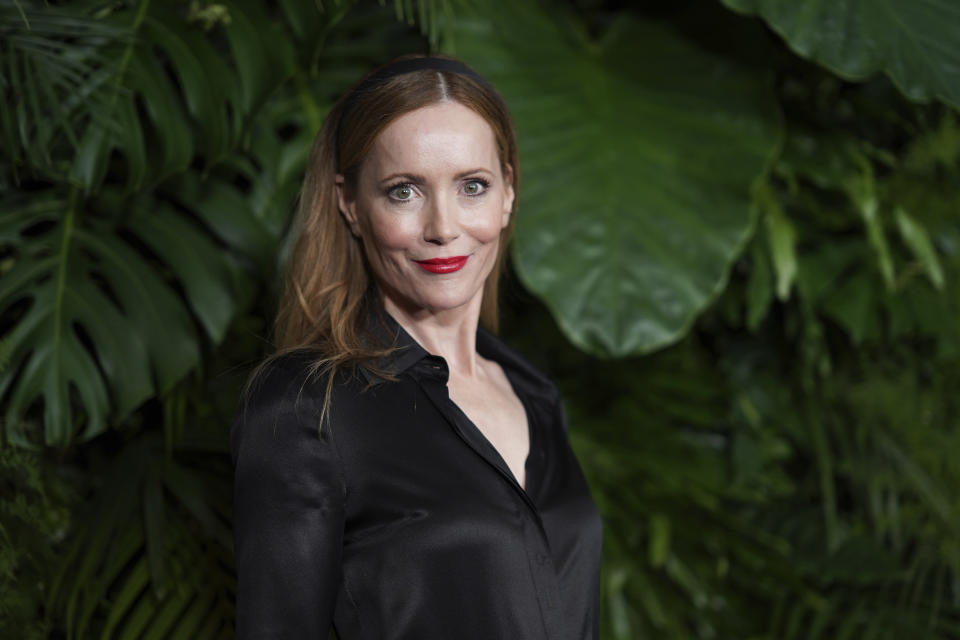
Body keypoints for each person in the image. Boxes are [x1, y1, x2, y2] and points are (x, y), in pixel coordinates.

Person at [230, 54, 602, 639]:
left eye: (472, 186)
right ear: (351, 204)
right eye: (404, 191)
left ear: (507, 192)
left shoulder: (533, 393)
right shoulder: (308, 407)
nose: (444, 227)